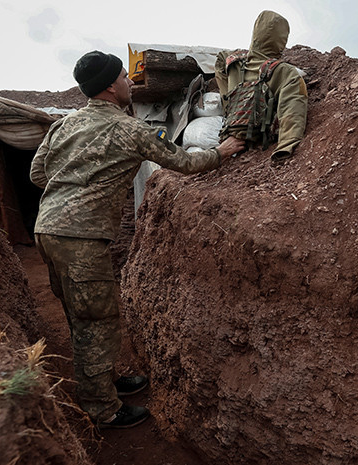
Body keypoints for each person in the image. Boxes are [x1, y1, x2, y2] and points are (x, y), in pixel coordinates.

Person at [30, 50, 244, 429]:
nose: (130, 84)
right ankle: (102, 408)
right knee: (96, 320)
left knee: (78, 313)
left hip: (47, 230)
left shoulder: (62, 126)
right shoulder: (129, 130)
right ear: (112, 87)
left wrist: (73, 185)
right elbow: (184, 162)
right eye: (126, 79)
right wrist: (221, 151)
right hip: (81, 237)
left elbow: (36, 174)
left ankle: (107, 381)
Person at [215, 10, 307, 163]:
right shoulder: (284, 71)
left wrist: (227, 104)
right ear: (281, 40)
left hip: (230, 134)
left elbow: (220, 60)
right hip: (260, 140)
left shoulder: (234, 64)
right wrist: (285, 146)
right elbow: (292, 109)